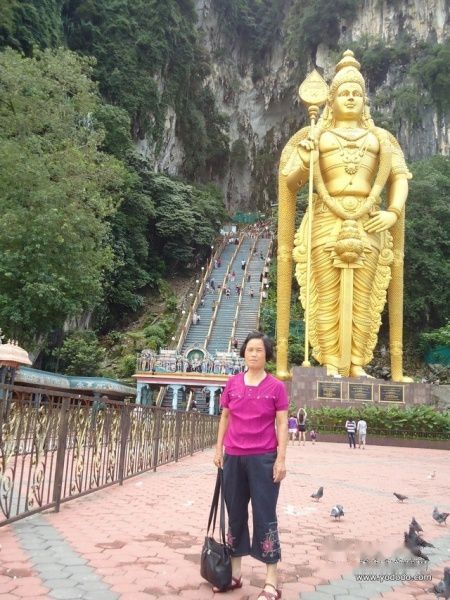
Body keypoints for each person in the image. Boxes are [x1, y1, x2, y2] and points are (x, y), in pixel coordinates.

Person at [276, 49, 412, 382]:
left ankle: (357, 364)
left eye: (356, 93)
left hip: (369, 220)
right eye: (343, 93)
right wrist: (306, 160)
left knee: (364, 296)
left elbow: (399, 178)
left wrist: (393, 213)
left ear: (365, 101)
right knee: (327, 294)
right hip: (326, 218)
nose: (350, 98)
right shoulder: (316, 136)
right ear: (331, 100)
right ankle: (331, 364)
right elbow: (290, 183)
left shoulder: (381, 139)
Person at [213, 331, 288, 599]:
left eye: (259, 350)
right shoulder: (232, 383)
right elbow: (225, 417)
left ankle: (271, 582)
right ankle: (235, 574)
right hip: (233, 457)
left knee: (265, 515)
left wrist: (281, 459)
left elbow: (282, 423)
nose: (253, 354)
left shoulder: (276, 387)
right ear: (243, 353)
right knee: (235, 514)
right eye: (249, 350)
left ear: (267, 355)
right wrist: (219, 449)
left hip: (263, 458)